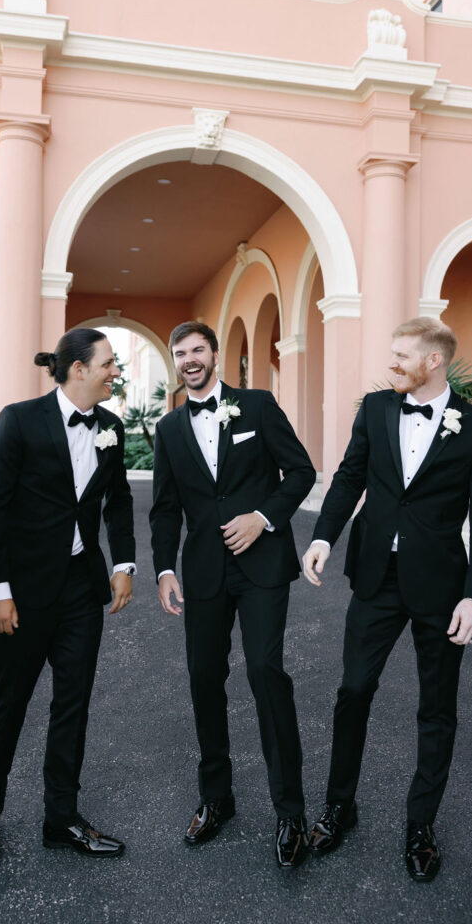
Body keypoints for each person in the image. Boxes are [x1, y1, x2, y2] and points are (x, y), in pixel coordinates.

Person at [303, 317, 472, 882]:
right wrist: (323, 536)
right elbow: (348, 477)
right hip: (376, 577)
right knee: (353, 690)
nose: (391, 364)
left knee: (436, 707)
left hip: (441, 585)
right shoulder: (375, 410)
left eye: (400, 357)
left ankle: (421, 826)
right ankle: (339, 806)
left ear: (433, 361)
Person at [0, 328, 136, 873]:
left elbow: (119, 502)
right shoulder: (19, 420)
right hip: (21, 593)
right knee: (7, 706)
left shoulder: (111, 427)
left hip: (80, 592)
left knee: (73, 705)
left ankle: (60, 819)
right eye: (109, 363)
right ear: (79, 369)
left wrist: (124, 565)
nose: (116, 372)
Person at [150, 322, 315, 868]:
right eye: (181, 353)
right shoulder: (169, 428)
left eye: (198, 349)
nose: (190, 359)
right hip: (202, 573)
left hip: (262, 564)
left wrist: (262, 517)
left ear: (216, 355)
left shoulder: (259, 405)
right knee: (203, 678)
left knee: (265, 672)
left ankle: (290, 811)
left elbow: (301, 471)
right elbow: (165, 507)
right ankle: (216, 798)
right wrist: (162, 570)